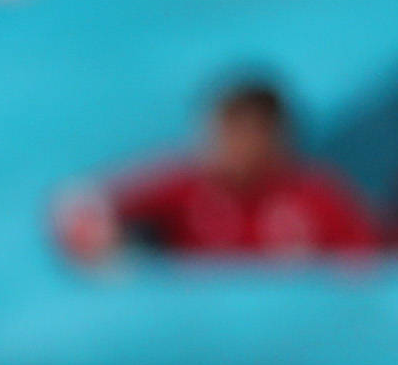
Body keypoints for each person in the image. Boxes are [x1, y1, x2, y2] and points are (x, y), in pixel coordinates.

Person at [59, 78, 379, 261]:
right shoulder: (183, 185)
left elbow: (367, 271)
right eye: (224, 133)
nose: (233, 147)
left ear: (277, 136)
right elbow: (85, 204)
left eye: (246, 133)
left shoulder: (318, 194)